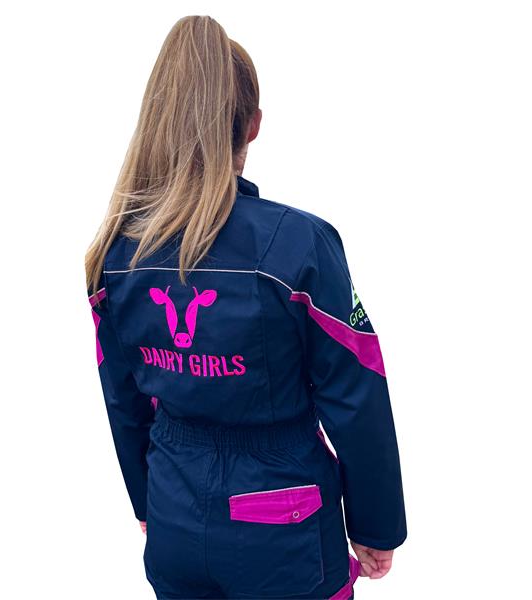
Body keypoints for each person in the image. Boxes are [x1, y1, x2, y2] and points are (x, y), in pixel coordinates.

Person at [85, 14, 407, 600]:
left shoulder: (117, 252)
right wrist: (377, 525)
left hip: (174, 515)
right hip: (281, 523)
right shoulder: (299, 244)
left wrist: (147, 504)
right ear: (253, 125)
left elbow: (122, 397)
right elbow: (356, 393)